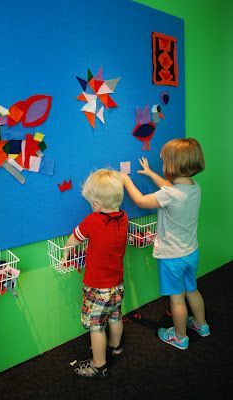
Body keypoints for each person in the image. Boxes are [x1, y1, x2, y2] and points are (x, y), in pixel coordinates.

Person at [122, 138, 210, 350]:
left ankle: (180, 337)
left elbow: (142, 201)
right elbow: (171, 188)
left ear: (173, 165)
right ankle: (201, 325)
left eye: (164, 162)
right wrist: (152, 174)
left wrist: (126, 181)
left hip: (172, 257)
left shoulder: (169, 194)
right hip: (191, 252)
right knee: (192, 289)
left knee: (177, 299)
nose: (162, 165)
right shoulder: (193, 188)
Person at [62, 169, 128, 377]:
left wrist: (65, 252)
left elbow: (74, 238)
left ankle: (98, 365)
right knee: (115, 317)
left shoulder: (92, 220)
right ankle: (116, 347)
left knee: (96, 327)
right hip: (117, 284)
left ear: (97, 205)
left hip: (97, 287)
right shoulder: (123, 218)